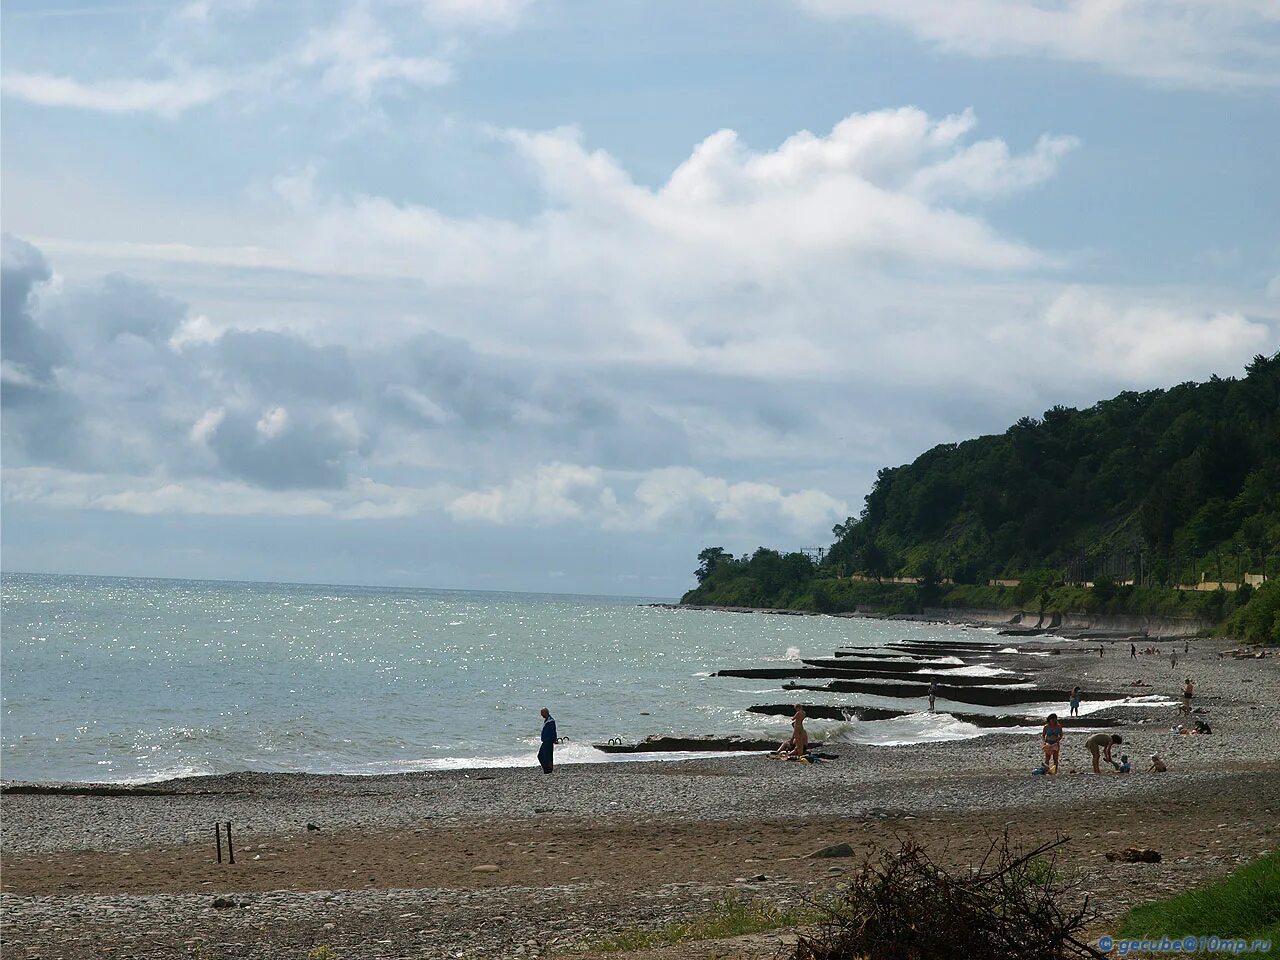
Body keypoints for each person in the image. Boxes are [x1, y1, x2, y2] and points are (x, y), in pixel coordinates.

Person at [537, 707, 557, 774]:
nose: (541, 715)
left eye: (542, 713)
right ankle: (547, 770)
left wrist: (553, 739)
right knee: (543, 756)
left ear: (546, 713)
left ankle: (548, 770)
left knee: (544, 756)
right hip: (545, 741)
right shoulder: (547, 720)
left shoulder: (551, 721)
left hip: (548, 741)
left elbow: (553, 731)